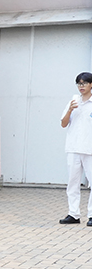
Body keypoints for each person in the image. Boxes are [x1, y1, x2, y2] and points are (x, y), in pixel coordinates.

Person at [59, 72, 92, 225]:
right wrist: (70, 110)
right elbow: (63, 123)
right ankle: (73, 214)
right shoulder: (73, 101)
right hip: (73, 147)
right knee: (73, 182)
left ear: (91, 85)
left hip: (89, 148)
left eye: (84, 83)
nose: (81, 86)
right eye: (79, 83)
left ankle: (91, 215)